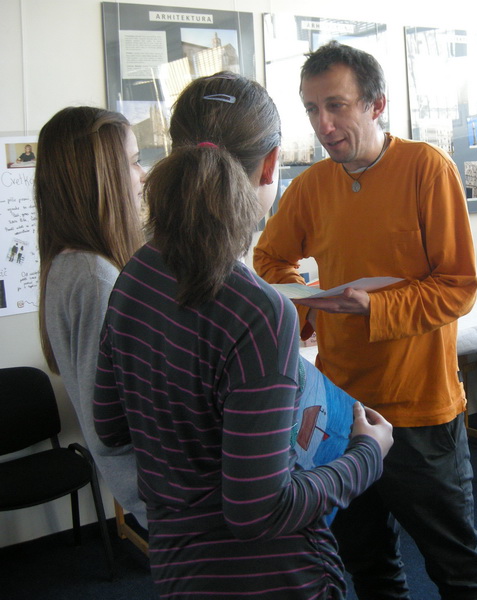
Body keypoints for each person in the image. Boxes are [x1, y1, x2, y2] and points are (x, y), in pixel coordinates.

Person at [93, 72, 393, 599]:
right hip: (273, 579)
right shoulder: (258, 311)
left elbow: (111, 426)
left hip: (180, 572)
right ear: (271, 164)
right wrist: (367, 453)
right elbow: (258, 513)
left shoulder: (133, 276)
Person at [253, 41, 477, 599]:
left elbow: (457, 287)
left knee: (457, 570)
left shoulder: (427, 169)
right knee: (368, 566)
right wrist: (312, 304)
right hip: (344, 409)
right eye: (312, 109)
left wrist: (375, 308)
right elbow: (269, 261)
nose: (323, 124)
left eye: (336, 106)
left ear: (376, 104)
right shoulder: (312, 185)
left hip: (420, 408)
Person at [35, 106, 147, 527]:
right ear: (102, 177)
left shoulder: (74, 264)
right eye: (133, 162)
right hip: (154, 488)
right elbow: (110, 427)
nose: (142, 175)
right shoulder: (94, 276)